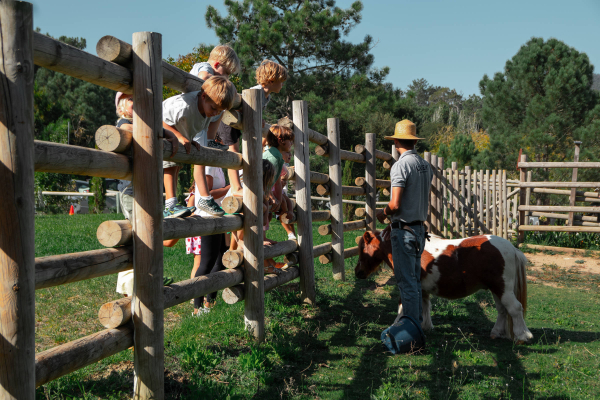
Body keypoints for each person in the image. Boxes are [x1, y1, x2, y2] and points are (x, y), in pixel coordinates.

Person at [377, 120, 433, 327]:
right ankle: (417, 322)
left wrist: (382, 213)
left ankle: (412, 328)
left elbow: (395, 204)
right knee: (415, 280)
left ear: (397, 141)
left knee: (406, 282)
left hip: (404, 230)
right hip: (419, 229)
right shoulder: (425, 165)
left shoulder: (401, 165)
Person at [162, 76, 237, 218]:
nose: (215, 113)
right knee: (171, 165)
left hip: (177, 135)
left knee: (176, 165)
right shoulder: (183, 106)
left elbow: (194, 124)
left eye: (219, 111)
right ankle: (170, 205)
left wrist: (189, 139)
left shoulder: (208, 108)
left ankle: (173, 204)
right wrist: (178, 136)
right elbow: (157, 120)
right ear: (203, 96)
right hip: (163, 133)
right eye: (214, 108)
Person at [225, 60, 288, 191]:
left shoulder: (267, 96)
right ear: (271, 81)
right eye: (281, 81)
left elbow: (255, 112)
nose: (282, 85)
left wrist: (259, 118)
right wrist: (255, 117)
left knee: (243, 155)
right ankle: (235, 187)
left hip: (243, 124)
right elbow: (244, 106)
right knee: (234, 153)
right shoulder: (256, 91)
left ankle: (244, 185)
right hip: (230, 122)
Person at [192, 143, 231, 316]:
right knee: (207, 261)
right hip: (207, 215)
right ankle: (197, 306)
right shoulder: (209, 164)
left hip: (217, 215)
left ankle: (210, 302)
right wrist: (230, 189)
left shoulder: (217, 166)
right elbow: (206, 193)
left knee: (220, 257)